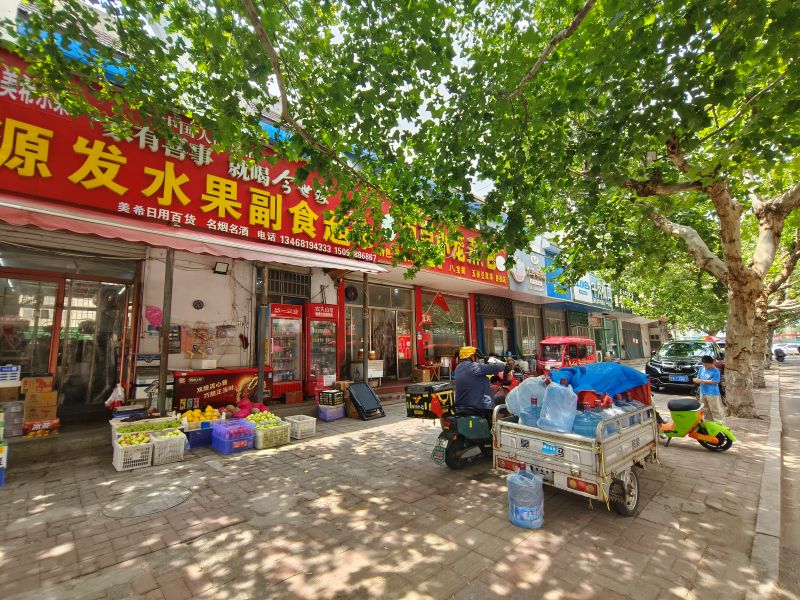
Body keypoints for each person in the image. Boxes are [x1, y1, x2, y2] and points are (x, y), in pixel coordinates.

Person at [454, 346, 508, 418]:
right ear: (470, 356)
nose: (476, 358)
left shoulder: (458, 368)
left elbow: (473, 382)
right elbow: (497, 367)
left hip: (463, 405)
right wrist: (504, 364)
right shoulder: (473, 367)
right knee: (506, 399)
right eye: (475, 356)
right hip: (480, 406)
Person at [695, 355, 725, 422]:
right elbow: (698, 378)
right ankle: (708, 423)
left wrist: (702, 381)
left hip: (712, 393)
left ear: (712, 363)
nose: (705, 366)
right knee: (705, 409)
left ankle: (719, 423)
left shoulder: (716, 370)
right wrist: (697, 380)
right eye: (703, 364)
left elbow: (715, 381)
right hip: (703, 392)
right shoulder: (701, 369)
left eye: (706, 365)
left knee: (715, 409)